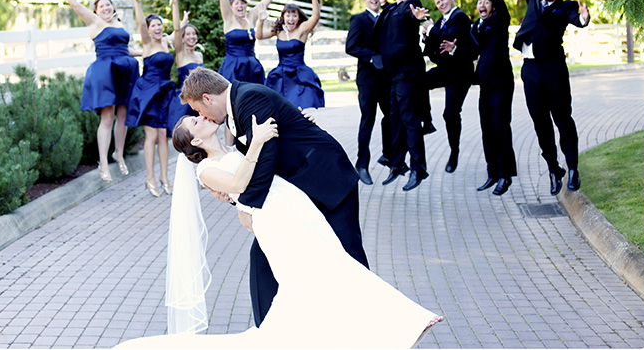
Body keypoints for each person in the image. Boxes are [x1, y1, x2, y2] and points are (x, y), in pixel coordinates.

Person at [115, 115, 442, 349]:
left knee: (328, 267)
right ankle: (407, 322)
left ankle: (365, 332)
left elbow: (259, 173)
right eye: (196, 122)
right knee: (323, 271)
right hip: (274, 222)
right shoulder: (205, 170)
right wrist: (256, 143)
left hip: (293, 206)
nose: (201, 117)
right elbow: (239, 183)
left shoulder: (231, 150)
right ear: (196, 140)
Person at [179, 67, 368, 327]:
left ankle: (370, 320)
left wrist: (245, 205)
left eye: (198, 110)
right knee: (265, 258)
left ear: (208, 98)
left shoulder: (248, 99)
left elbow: (267, 155)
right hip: (299, 191)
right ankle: (271, 329)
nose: (201, 115)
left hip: (326, 180)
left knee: (347, 251)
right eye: (197, 117)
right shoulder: (239, 105)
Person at [513, 0, 590, 195]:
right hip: (530, 70)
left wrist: (583, 18)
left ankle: (573, 167)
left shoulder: (565, 7)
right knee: (540, 122)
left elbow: (577, 18)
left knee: (563, 119)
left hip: (554, 69)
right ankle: (553, 168)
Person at [52, 0, 138, 183]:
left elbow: (127, 49)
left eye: (109, 6)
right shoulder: (95, 22)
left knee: (123, 115)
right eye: (102, 7)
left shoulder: (119, 24)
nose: (106, 9)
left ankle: (118, 153)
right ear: (96, 11)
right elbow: (75, 4)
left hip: (124, 69)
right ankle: (103, 162)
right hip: (105, 71)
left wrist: (150, 52)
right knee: (107, 117)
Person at [442, 0, 517, 195]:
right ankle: (492, 173)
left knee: (501, 128)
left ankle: (505, 176)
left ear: (492, 6)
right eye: (479, 2)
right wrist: (455, 50)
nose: (482, 5)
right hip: (485, 86)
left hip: (501, 85)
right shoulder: (476, 26)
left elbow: (502, 9)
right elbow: (472, 51)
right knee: (487, 130)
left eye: (486, 1)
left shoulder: (499, 21)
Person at [217, 0, 281, 145]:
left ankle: (250, 145)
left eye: (243, 3)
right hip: (232, 66)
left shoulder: (251, 17)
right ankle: (229, 148)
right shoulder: (228, 19)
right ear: (231, 6)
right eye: (237, 3)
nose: (241, 6)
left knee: (251, 105)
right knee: (232, 107)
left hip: (251, 66)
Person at [374, 0, 430, 191]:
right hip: (394, 75)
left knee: (409, 119)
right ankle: (397, 164)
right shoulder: (391, 10)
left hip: (408, 73)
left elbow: (414, 15)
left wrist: (418, 18)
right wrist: (384, 3)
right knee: (394, 118)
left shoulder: (409, 6)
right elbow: (382, 24)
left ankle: (419, 168)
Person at [125, 0, 177, 196]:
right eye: (153, 25)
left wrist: (175, 3)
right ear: (148, 29)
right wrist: (137, 1)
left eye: (159, 24)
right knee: (151, 136)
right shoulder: (147, 43)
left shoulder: (165, 41)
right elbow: (139, 21)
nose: (157, 27)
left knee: (164, 136)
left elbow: (179, 30)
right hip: (148, 92)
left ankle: (165, 176)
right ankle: (150, 177)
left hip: (164, 91)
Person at [420, 0, 477, 174]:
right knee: (418, 82)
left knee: (450, 113)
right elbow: (430, 49)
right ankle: (427, 122)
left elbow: (446, 35)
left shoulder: (460, 17)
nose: (440, 4)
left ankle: (454, 152)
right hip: (444, 70)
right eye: (437, 2)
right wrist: (426, 35)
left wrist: (431, 30)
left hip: (460, 73)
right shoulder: (439, 22)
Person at [345, 0, 392, 185]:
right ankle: (361, 164)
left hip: (387, 78)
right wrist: (371, 57)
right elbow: (351, 46)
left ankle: (388, 155)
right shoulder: (358, 19)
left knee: (391, 116)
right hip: (367, 79)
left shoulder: (387, 17)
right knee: (368, 120)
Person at [256, 0, 325, 109]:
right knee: (278, 107)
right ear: (283, 17)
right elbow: (259, 36)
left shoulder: (302, 30)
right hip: (281, 75)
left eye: (294, 15)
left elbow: (316, 16)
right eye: (288, 15)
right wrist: (260, 21)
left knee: (303, 103)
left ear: (298, 18)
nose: (291, 18)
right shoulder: (278, 31)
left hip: (299, 74)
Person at [167, 0, 204, 132]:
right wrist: (175, 3)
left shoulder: (199, 55)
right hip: (185, 100)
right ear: (182, 38)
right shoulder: (180, 53)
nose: (191, 36)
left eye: (194, 34)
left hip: (200, 101)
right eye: (188, 34)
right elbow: (176, 29)